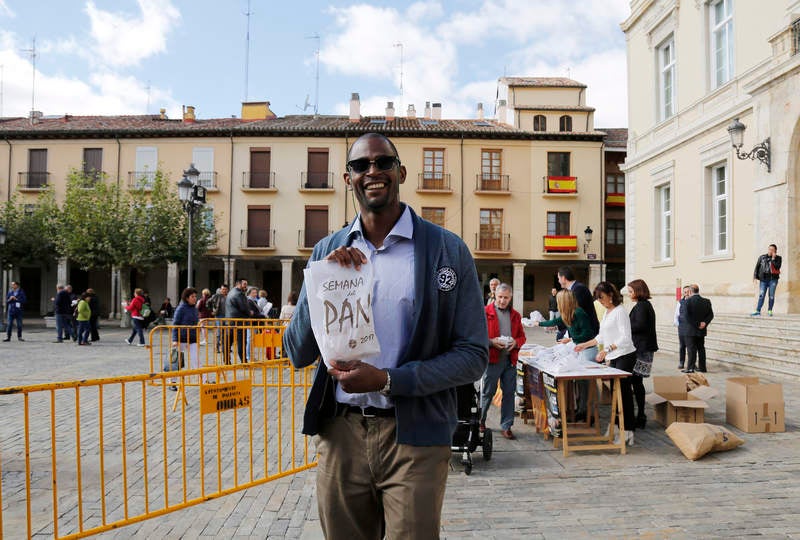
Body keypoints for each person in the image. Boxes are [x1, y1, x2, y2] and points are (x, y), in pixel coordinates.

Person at [283, 132, 488, 539]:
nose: (372, 172)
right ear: (348, 179)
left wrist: (390, 380)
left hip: (415, 437)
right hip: (340, 435)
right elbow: (297, 352)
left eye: (383, 162)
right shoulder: (328, 248)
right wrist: (320, 281)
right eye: (361, 165)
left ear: (401, 172)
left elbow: (472, 355)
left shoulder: (447, 250)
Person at [575, 281, 636, 446]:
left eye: (602, 298)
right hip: (615, 356)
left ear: (610, 295)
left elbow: (625, 338)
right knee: (617, 394)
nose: (600, 302)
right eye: (598, 299)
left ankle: (627, 430)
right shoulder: (607, 312)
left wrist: (607, 350)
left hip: (625, 355)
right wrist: (584, 345)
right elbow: (601, 336)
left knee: (623, 395)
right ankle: (617, 427)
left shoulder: (620, 312)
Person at [535, 289, 598, 423]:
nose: (557, 304)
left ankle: (589, 413)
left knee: (586, 383)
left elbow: (588, 334)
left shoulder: (579, 313)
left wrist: (573, 339)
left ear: (564, 302)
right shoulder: (567, 313)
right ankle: (581, 410)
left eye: (558, 301)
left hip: (588, 350)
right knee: (580, 383)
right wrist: (538, 323)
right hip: (579, 348)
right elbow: (555, 322)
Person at [480, 283, 526, 440]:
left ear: (510, 298)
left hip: (509, 360)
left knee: (509, 393)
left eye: (506, 298)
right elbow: (476, 337)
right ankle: (480, 421)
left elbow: (522, 336)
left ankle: (506, 426)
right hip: (492, 359)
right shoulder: (485, 313)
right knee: (487, 393)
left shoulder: (515, 315)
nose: (502, 301)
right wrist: (492, 342)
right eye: (500, 297)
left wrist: (516, 343)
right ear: (494, 296)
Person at [556, 266, 600, 418]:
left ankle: (588, 411)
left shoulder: (578, 290)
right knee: (579, 376)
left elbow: (574, 316)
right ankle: (582, 408)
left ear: (563, 277)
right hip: (579, 339)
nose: (558, 280)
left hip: (586, 339)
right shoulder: (576, 289)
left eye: (558, 277)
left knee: (585, 376)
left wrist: (567, 334)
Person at [627, 279, 658, 429]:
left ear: (638, 291)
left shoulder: (642, 306)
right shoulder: (644, 305)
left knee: (636, 382)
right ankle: (640, 415)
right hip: (643, 347)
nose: (629, 294)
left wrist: (625, 325)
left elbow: (639, 325)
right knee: (637, 382)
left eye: (631, 291)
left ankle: (640, 415)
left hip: (641, 349)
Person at [172, 287, 207, 389]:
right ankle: (172, 382)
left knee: (196, 360)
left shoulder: (195, 309)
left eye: (195, 296)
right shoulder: (181, 308)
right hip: (181, 338)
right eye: (192, 296)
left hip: (192, 339)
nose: (195, 298)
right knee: (176, 361)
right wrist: (175, 339)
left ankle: (204, 381)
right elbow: (175, 324)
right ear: (186, 298)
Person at [684, 284, 714, 373]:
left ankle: (690, 368)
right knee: (701, 349)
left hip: (691, 330)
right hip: (702, 330)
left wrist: (697, 324)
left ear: (690, 291)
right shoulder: (706, 301)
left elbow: (687, 317)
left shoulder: (688, 301)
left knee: (691, 349)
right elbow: (711, 315)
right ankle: (702, 368)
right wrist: (704, 323)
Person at [751, 244, 782, 317]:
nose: (770, 251)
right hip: (763, 280)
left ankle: (770, 310)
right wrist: (755, 277)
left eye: (772, 250)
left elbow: (777, 267)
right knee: (761, 295)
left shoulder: (778, 258)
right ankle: (758, 311)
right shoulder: (762, 257)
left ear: (775, 251)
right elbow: (757, 267)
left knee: (771, 296)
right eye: (769, 249)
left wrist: (773, 259)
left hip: (773, 280)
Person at [225, 278, 251, 363]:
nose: (246, 286)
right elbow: (244, 308)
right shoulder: (239, 294)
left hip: (229, 321)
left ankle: (227, 361)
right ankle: (243, 361)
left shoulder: (230, 292)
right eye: (244, 284)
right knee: (242, 342)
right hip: (239, 321)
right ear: (238, 284)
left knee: (229, 342)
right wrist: (250, 312)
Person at [674, 286, 691, 370]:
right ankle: (681, 362)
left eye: (688, 291)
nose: (686, 293)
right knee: (682, 346)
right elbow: (676, 314)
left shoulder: (693, 301)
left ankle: (691, 363)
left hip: (691, 328)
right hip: (682, 327)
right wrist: (678, 325)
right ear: (683, 293)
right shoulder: (680, 302)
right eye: (685, 291)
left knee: (691, 347)